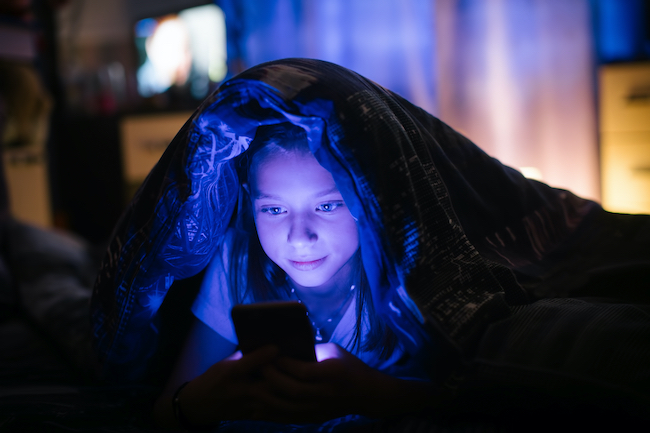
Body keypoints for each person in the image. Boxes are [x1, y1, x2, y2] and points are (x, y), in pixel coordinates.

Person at [91, 58, 650, 430]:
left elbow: (488, 405)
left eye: (329, 205)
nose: (298, 235)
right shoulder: (241, 263)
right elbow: (167, 406)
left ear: (368, 204)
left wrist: (375, 398)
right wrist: (201, 403)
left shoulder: (412, 272)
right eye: (274, 209)